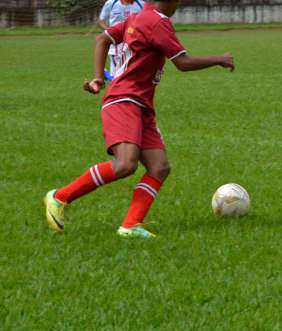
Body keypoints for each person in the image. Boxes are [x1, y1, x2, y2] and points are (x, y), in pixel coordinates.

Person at [43, 0, 235, 238]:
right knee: (125, 164)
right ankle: (60, 197)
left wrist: (98, 79)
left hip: (140, 104)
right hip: (124, 100)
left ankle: (130, 225)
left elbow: (102, 39)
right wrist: (220, 59)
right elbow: (183, 63)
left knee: (159, 167)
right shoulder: (157, 21)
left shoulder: (139, 16)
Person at [98, 0, 144, 80]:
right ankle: (107, 75)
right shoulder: (111, 3)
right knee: (119, 77)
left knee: (129, 74)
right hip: (116, 46)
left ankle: (106, 74)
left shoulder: (142, 4)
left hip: (134, 45)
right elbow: (101, 21)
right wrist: (111, 32)